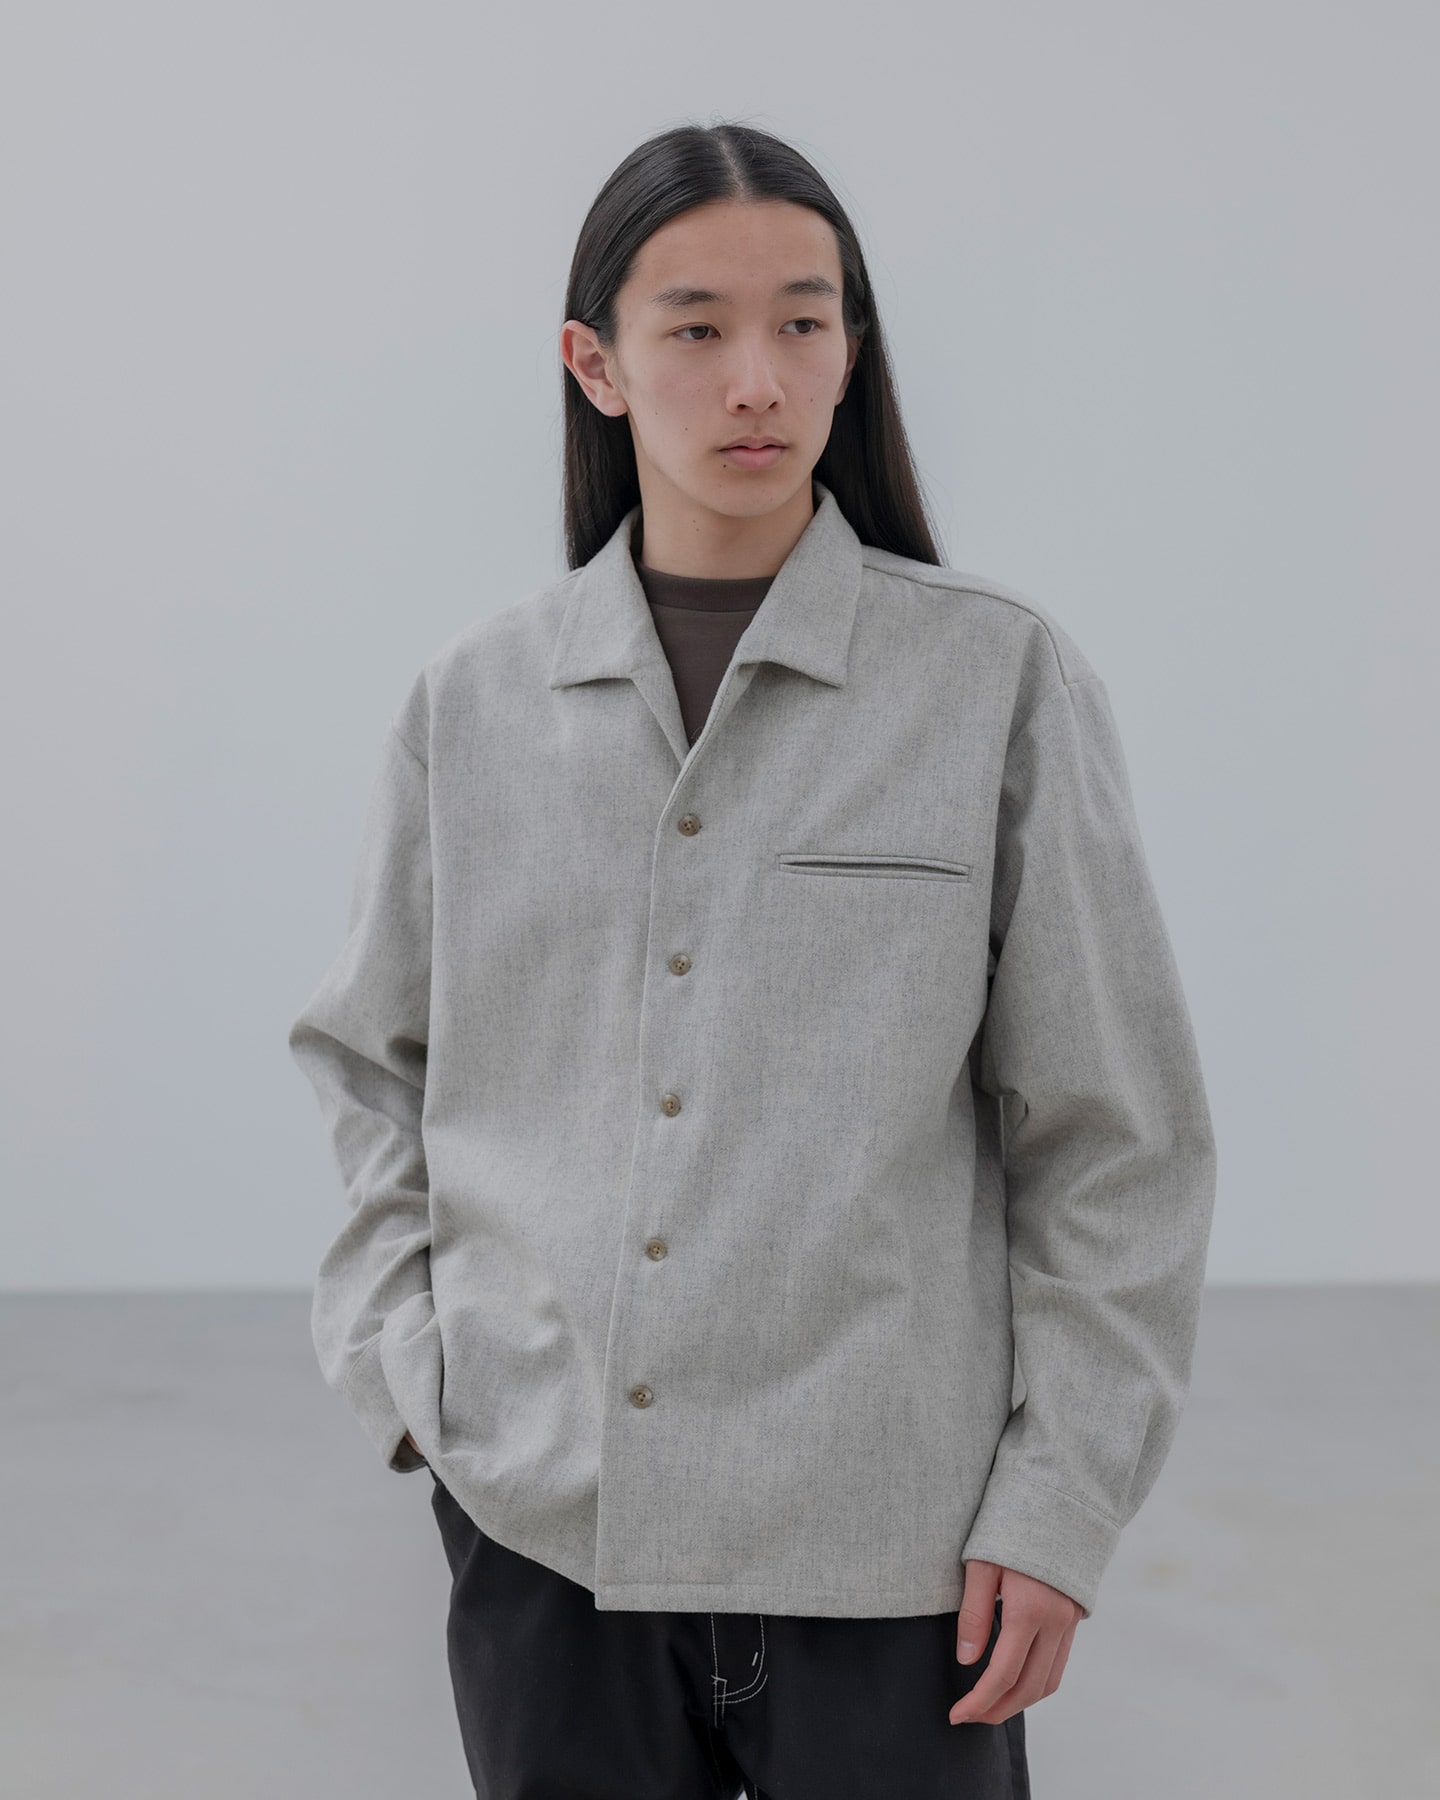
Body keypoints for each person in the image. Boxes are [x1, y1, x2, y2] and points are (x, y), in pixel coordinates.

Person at [287, 120, 1217, 1800]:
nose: (758, 380)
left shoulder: (996, 684)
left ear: (853, 350)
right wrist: (417, 1389)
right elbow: (370, 1066)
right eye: (698, 326)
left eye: (803, 320)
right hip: (549, 1538)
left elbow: (1115, 1139)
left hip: (891, 1552)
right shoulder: (470, 707)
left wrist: (1060, 1504)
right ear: (596, 365)